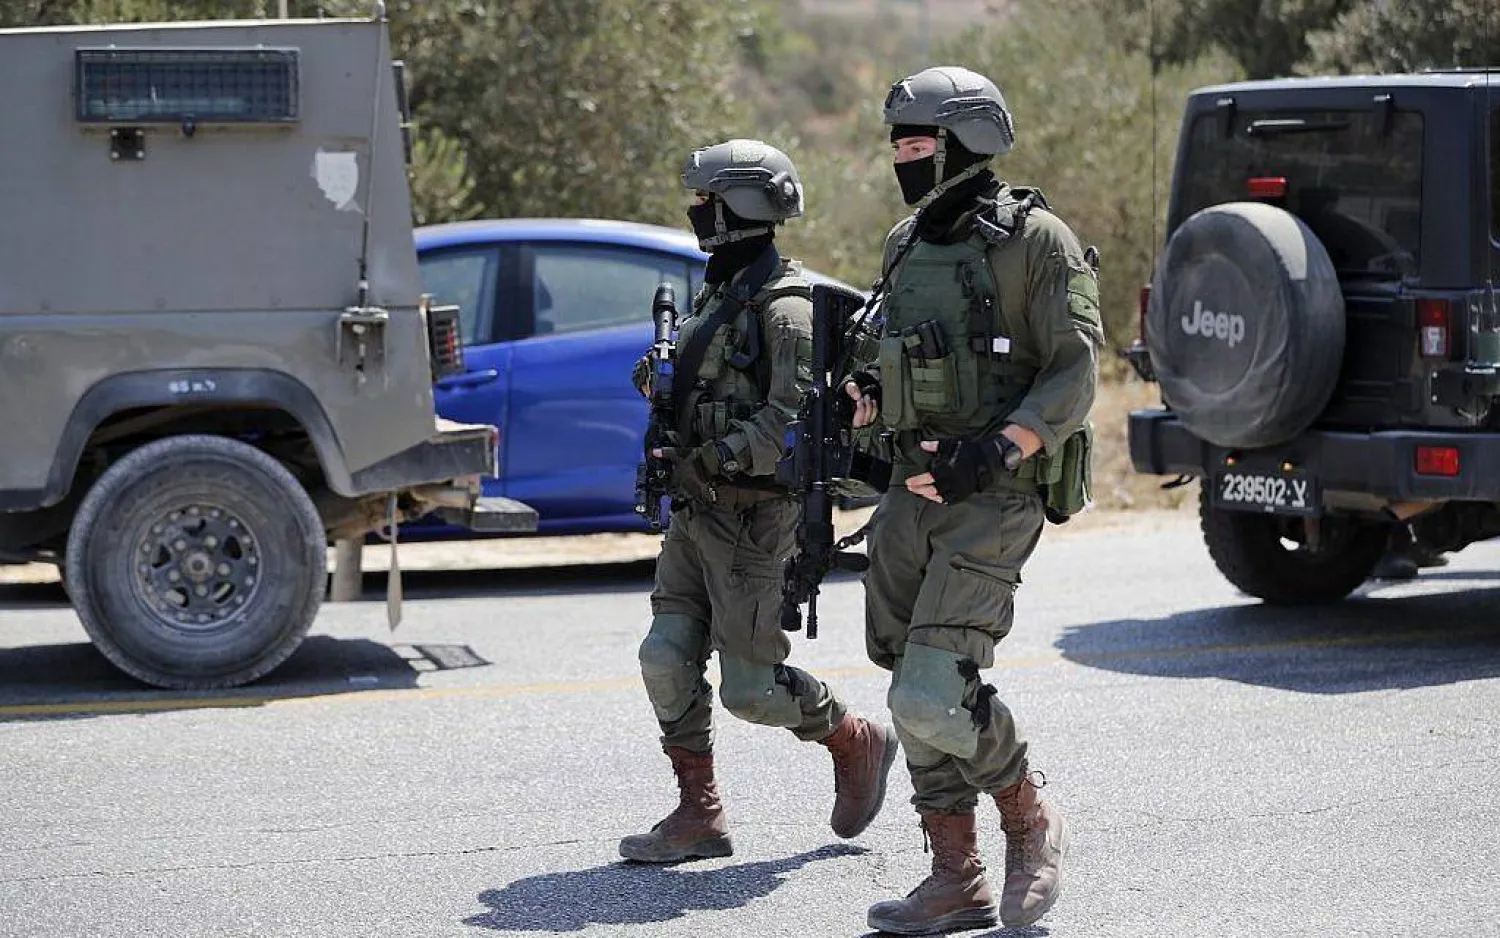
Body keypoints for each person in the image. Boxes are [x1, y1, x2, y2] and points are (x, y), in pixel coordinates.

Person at [841, 67, 1104, 933]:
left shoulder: (1040, 242)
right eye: (899, 147)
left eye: (918, 145)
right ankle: (955, 876)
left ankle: (1030, 817)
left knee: (932, 690)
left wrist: (997, 449)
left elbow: (1075, 376)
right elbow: (894, 351)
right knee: (905, 679)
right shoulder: (905, 241)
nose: (903, 161)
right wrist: (864, 399)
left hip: (993, 496)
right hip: (908, 499)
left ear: (967, 144)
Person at [619, 138, 899, 865]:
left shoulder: (787, 308)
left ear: (736, 207)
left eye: (704, 202)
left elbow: (790, 421)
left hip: (752, 520)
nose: (694, 214)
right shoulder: (721, 288)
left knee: (751, 691)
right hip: (696, 512)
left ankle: (853, 737)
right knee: (663, 655)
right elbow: (712, 381)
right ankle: (698, 813)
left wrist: (709, 457)